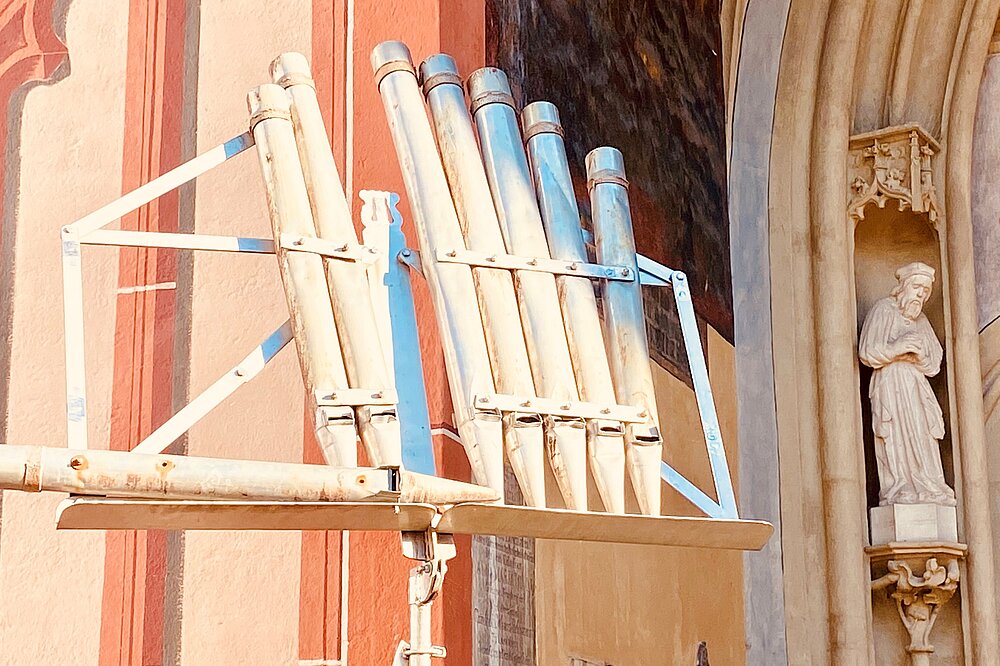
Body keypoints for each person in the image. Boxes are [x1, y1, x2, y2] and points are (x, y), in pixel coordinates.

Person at [858, 261, 956, 506]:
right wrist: (898, 348)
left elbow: (935, 361)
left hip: (916, 387)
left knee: (922, 435)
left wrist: (920, 355)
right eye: (917, 288)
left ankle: (929, 484)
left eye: (925, 292)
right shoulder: (883, 310)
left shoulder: (921, 321)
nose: (921, 296)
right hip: (891, 385)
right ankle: (900, 485)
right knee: (897, 437)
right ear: (903, 287)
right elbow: (867, 351)